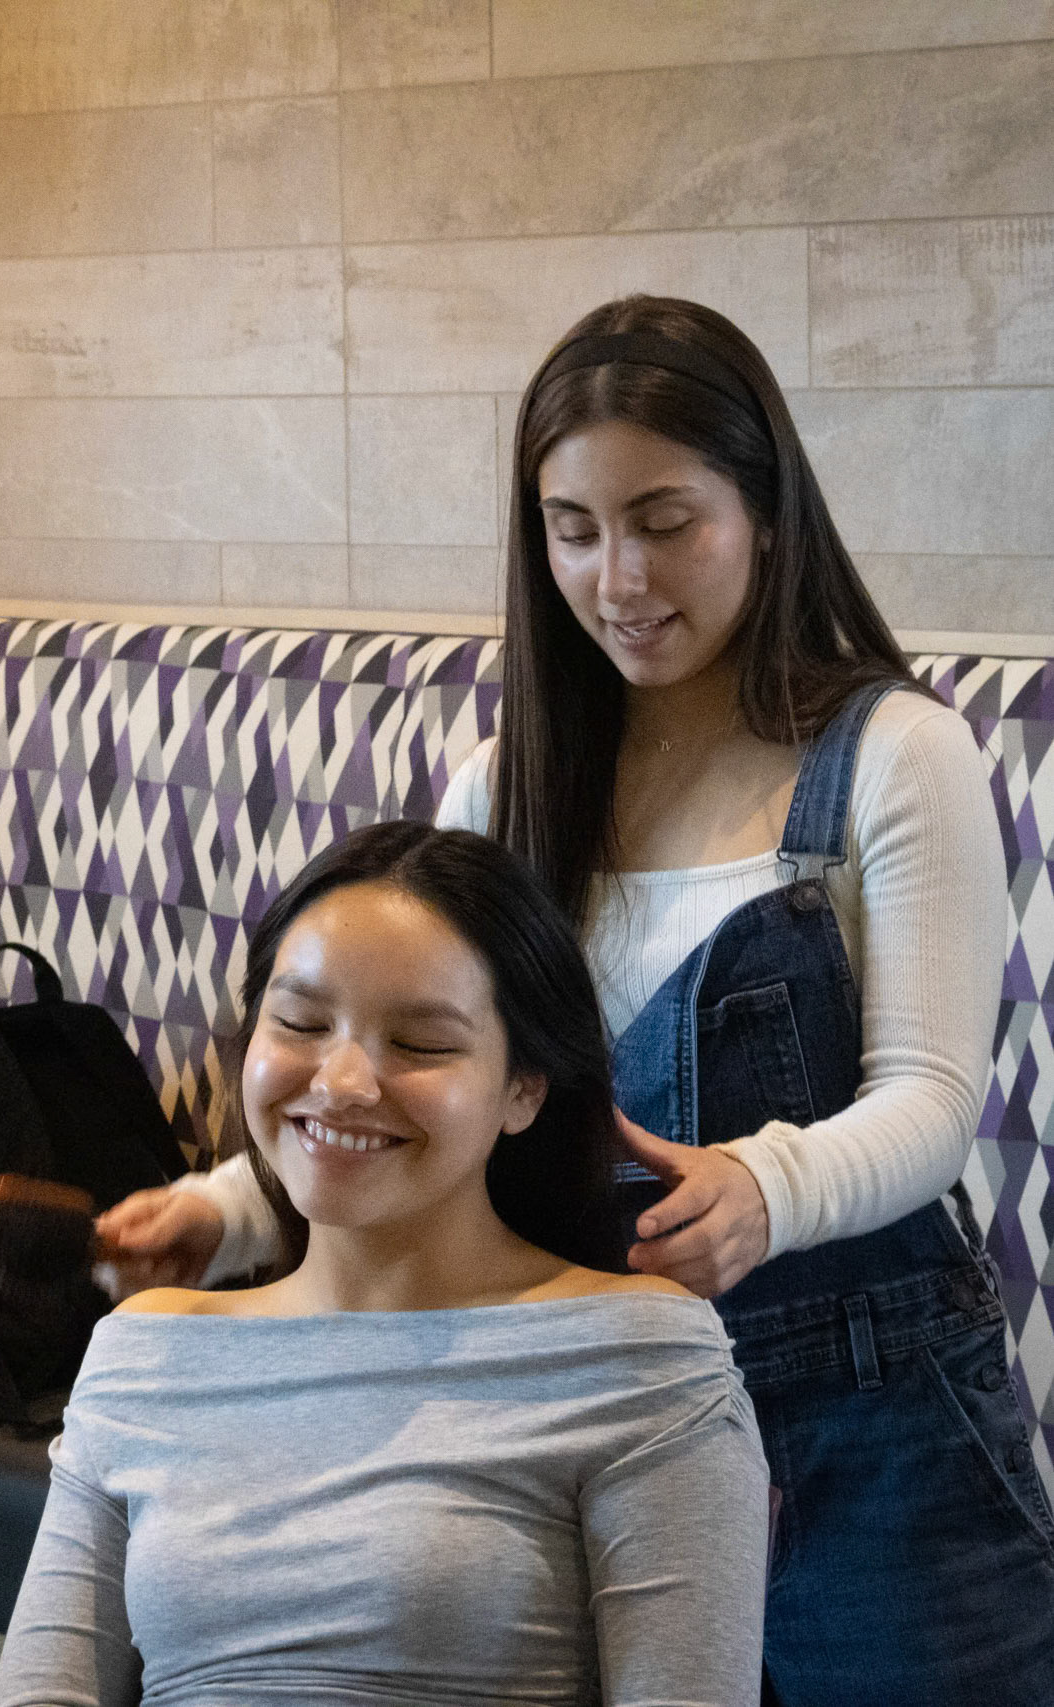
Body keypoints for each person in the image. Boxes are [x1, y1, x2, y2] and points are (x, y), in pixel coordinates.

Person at [96, 296, 1054, 1705]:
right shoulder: (508, 785)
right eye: (573, 527)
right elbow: (433, 1078)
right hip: (577, 1392)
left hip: (868, 1406)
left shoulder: (893, 755)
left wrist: (756, 1187)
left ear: (765, 510)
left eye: (664, 519)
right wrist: (235, 1208)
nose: (616, 575)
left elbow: (926, 1103)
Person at [0, 822, 768, 1707]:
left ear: (523, 1089)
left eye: (421, 1043)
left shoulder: (637, 1355)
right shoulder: (142, 1351)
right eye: (300, 1021)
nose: (343, 1081)